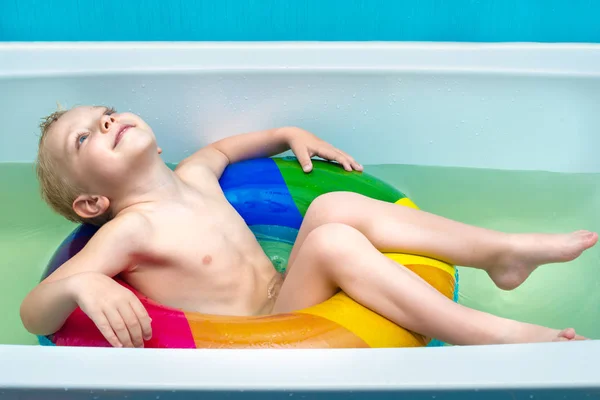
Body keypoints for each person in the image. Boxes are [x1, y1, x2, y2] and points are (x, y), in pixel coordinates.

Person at [20, 106, 597, 349]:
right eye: (85, 137)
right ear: (92, 203)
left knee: (330, 207)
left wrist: (288, 133)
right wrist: (79, 282)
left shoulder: (195, 174)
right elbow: (34, 313)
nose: (106, 122)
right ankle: (492, 335)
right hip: (261, 332)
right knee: (329, 238)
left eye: (105, 113)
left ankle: (502, 252)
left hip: (282, 291)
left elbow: (225, 147)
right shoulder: (130, 232)